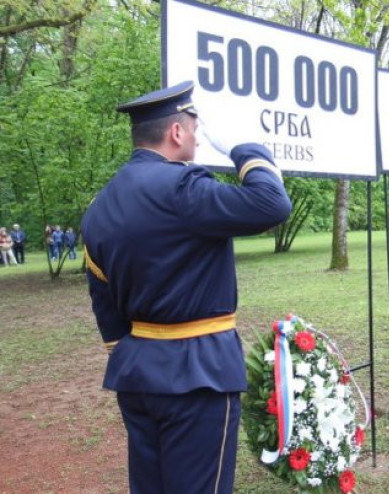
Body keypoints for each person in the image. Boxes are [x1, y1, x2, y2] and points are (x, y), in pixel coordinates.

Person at [81, 81, 291, 494]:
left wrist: (133, 350)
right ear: (177, 132)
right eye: (194, 128)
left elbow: (102, 297)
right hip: (200, 374)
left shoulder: (100, 205)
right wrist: (244, 148)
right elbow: (272, 204)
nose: (196, 138)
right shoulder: (183, 188)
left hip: (138, 372)